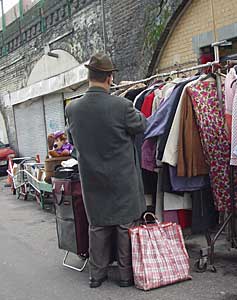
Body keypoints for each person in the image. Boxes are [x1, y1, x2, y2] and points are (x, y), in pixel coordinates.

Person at [66, 53, 147, 288]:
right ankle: (125, 276)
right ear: (110, 78)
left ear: (89, 76)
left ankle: (96, 276)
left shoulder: (73, 108)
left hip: (91, 178)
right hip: (122, 179)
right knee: (124, 227)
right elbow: (141, 125)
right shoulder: (122, 106)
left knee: (98, 226)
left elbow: (72, 141)